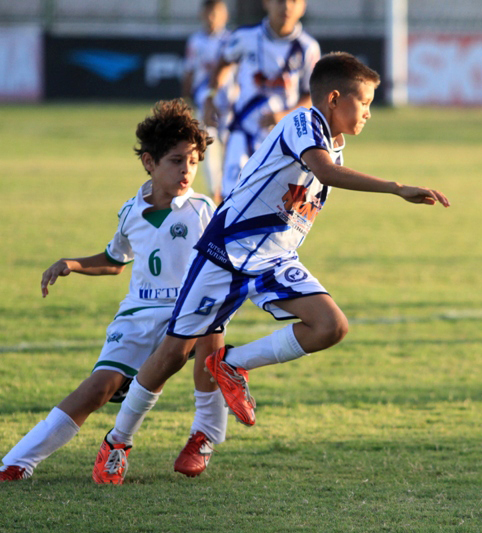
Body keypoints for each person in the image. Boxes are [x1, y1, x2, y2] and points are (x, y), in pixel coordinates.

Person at [92, 52, 450, 484]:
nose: (369, 113)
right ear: (334, 99)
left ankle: (232, 365)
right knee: (173, 354)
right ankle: (117, 441)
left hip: (275, 259)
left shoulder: (335, 142)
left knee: (331, 326)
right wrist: (396, 188)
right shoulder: (303, 123)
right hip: (226, 251)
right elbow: (324, 172)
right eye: (365, 102)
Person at [0, 100, 227, 483]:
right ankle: (17, 462)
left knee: (206, 336)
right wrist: (72, 264)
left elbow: (226, 260)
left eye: (192, 161)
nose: (187, 170)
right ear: (149, 162)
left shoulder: (203, 209)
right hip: (137, 315)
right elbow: (115, 259)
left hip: (185, 312)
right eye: (176, 160)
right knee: (97, 389)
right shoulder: (130, 212)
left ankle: (195, 436)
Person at [203, 0, 320, 199]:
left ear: (303, 6)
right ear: (266, 3)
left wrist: (285, 115)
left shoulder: (308, 47)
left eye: (294, 1)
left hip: (282, 138)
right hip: (243, 130)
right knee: (229, 195)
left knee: (273, 200)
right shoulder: (245, 37)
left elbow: (311, 95)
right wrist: (210, 98)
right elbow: (223, 63)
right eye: (280, 1)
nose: (287, 7)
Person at [182, 0, 231, 204]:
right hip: (204, 101)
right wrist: (186, 100)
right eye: (209, 14)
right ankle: (215, 191)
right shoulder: (195, 41)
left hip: (228, 104)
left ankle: (231, 188)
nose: (212, 18)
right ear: (202, 15)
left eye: (216, 14)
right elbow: (189, 71)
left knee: (230, 147)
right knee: (207, 145)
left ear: (224, 15)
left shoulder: (232, 40)